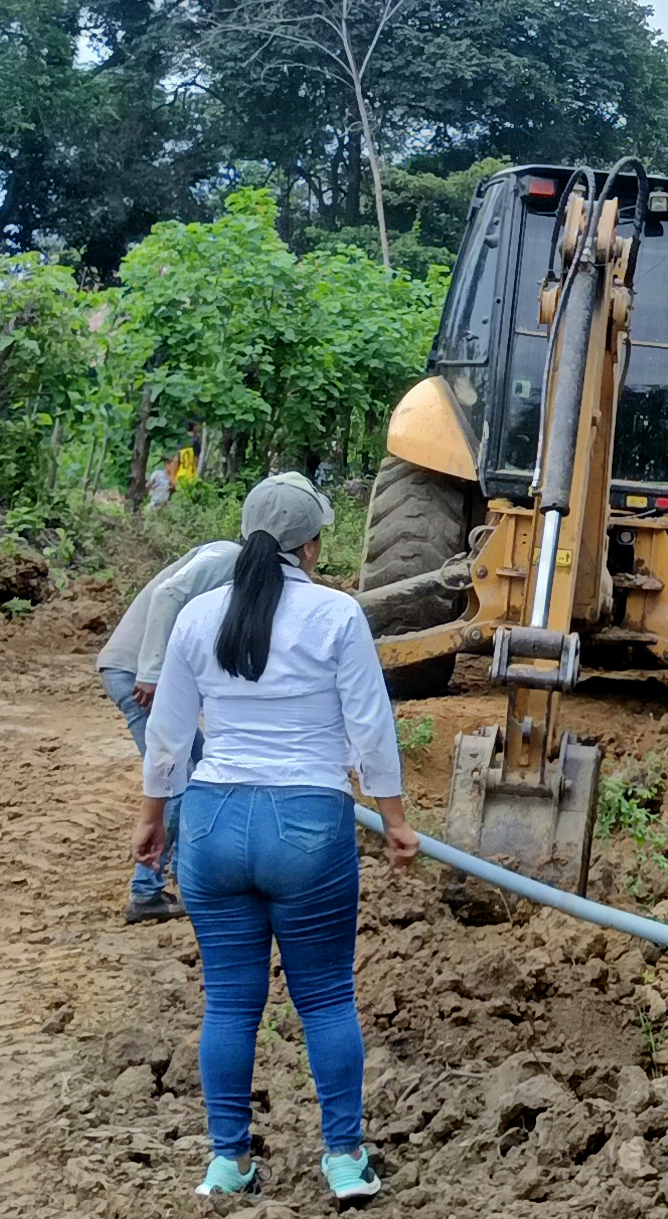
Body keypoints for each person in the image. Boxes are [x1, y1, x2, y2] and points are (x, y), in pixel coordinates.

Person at [134, 473, 421, 1206]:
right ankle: (345, 1160)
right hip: (308, 825)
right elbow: (370, 725)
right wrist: (393, 818)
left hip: (213, 822)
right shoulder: (336, 614)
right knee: (325, 998)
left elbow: (168, 734)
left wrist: (151, 817)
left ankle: (227, 1161)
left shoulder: (199, 615)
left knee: (230, 1004)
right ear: (312, 544)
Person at [94, 538, 240, 923]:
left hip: (143, 675)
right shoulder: (228, 556)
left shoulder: (232, 568)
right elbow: (168, 594)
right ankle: (147, 891)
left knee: (201, 766)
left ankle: (188, 874)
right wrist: (151, 671)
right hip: (136, 676)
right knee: (176, 780)